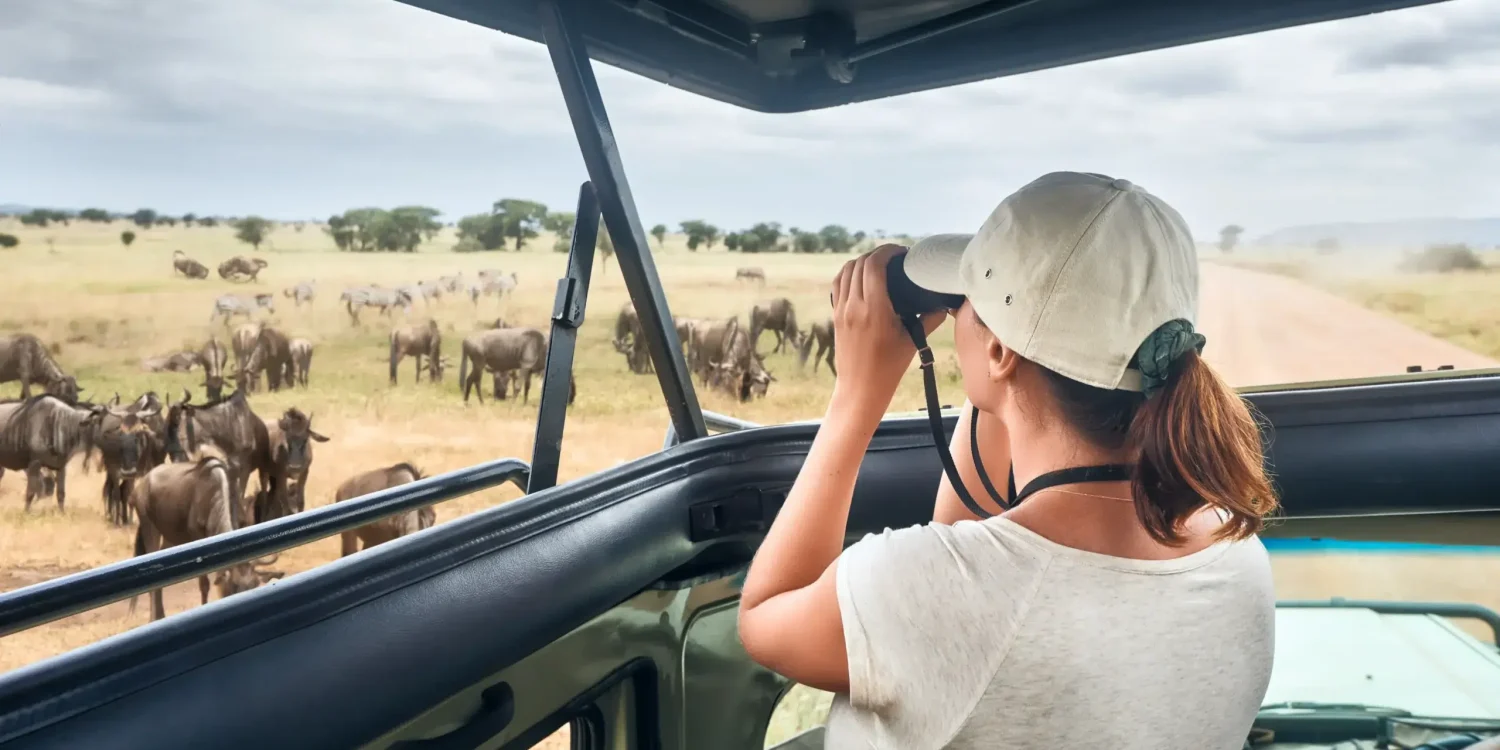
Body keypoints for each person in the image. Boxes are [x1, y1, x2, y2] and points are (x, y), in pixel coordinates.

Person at [737, 171, 1279, 749]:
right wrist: (1005, 381)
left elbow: (766, 616)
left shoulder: (936, 589)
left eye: (967, 304)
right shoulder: (1237, 554)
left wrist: (855, 397)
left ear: (998, 349)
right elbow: (974, 567)